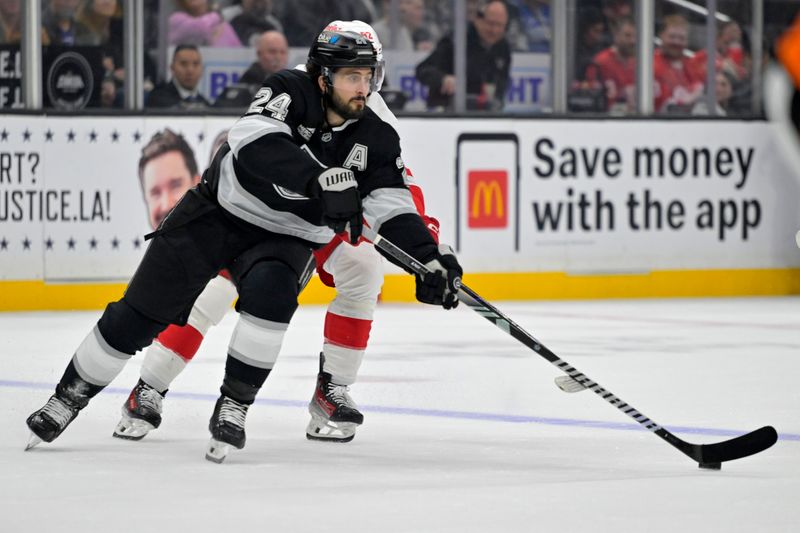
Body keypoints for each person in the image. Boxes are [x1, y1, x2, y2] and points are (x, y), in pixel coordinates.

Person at [26, 29, 462, 463]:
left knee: (273, 300)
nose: (363, 87)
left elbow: (394, 202)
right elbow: (255, 146)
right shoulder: (287, 89)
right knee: (138, 316)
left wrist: (430, 258)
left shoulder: (378, 131)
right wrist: (318, 180)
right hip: (219, 214)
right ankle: (69, 397)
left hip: (289, 234)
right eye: (352, 76)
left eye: (369, 76)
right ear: (323, 76)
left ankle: (237, 403)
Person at [416, 0, 511, 111]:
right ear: (477, 20)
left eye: (500, 25)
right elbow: (423, 70)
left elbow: (502, 83)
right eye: (490, 24)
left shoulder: (503, 47)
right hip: (448, 113)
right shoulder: (456, 40)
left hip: (484, 114)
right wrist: (443, 79)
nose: (495, 30)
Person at [653, 14, 704, 113]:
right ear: (661, 36)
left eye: (681, 38)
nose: (676, 42)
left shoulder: (692, 66)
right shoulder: (651, 65)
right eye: (672, 37)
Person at [584, 16, 636, 113]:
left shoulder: (641, 64)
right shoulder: (600, 62)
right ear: (616, 35)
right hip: (607, 120)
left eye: (635, 36)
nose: (632, 41)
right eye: (627, 35)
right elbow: (590, 97)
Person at [147, 44, 212, 109]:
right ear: (172, 68)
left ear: (202, 69)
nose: (190, 70)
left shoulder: (206, 104)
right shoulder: (158, 99)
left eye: (195, 64)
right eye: (184, 64)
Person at [169, 0, 241, 47]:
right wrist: (218, 15)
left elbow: (238, 51)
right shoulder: (176, 19)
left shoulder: (222, 25)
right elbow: (201, 27)